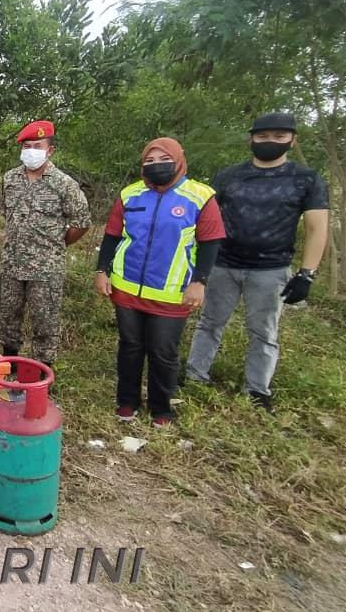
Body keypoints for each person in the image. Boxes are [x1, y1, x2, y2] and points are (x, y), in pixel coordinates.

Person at [185, 113, 329, 412]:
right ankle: (195, 375)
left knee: (264, 331)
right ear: (251, 139)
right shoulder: (228, 176)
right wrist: (198, 266)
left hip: (271, 268)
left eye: (279, 136)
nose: (270, 142)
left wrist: (307, 274)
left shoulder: (306, 179)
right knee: (209, 322)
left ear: (292, 140)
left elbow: (317, 228)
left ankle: (257, 390)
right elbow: (206, 221)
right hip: (222, 263)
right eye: (263, 136)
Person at [95, 137, 225, 427]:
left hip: (172, 293)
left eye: (163, 160)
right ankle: (127, 402)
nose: (156, 166)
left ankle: (161, 408)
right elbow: (112, 236)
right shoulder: (130, 195)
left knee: (163, 351)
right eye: (149, 162)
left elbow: (210, 243)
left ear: (178, 160)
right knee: (130, 347)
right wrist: (101, 270)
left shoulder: (200, 196)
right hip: (127, 287)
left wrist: (200, 281)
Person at [0, 120, 91, 368]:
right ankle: (10, 367)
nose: (31, 151)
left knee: (44, 321)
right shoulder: (9, 179)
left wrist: (56, 244)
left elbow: (81, 222)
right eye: (27, 146)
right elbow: (5, 213)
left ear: (50, 150)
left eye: (37, 146)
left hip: (46, 268)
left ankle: (41, 374)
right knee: (8, 318)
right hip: (12, 264)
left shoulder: (64, 184)